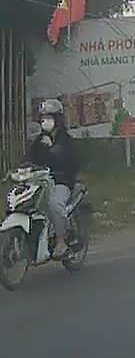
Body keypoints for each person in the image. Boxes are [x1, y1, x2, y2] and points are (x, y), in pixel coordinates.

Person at [26, 98, 80, 258]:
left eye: (49, 117)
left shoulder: (66, 140)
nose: (46, 121)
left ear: (57, 119)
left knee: (55, 204)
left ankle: (61, 242)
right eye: (43, 118)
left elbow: (72, 161)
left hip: (61, 182)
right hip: (40, 182)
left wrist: (53, 150)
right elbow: (31, 157)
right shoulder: (39, 139)